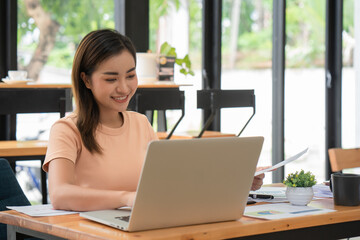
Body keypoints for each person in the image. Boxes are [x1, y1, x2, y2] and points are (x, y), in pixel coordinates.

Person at [43, 29, 266, 212]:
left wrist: (236, 182)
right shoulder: (67, 129)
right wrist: (126, 198)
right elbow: (60, 195)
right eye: (111, 78)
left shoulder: (140, 124)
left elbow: (167, 184)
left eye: (130, 75)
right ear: (86, 80)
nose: (124, 87)